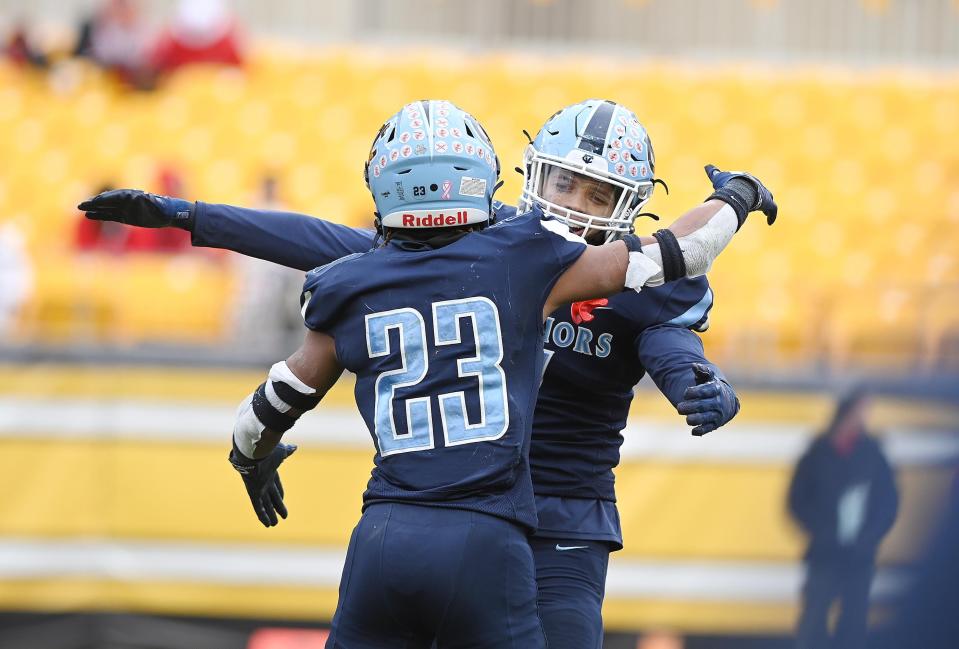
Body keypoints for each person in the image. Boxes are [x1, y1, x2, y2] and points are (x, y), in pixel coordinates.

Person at [80, 98, 776, 648]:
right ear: (532, 174)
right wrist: (196, 218)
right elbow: (333, 242)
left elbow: (663, 336)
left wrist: (693, 381)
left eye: (596, 194)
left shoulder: (569, 266)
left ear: (626, 203)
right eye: (564, 180)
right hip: (472, 513)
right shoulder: (494, 244)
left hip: (561, 517)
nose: (573, 202)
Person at [788, 390, 900, 649]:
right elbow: (797, 500)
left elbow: (888, 503)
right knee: (814, 621)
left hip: (860, 555)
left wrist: (869, 537)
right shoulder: (818, 451)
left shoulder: (872, 453)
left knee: (853, 623)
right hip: (824, 553)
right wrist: (821, 530)